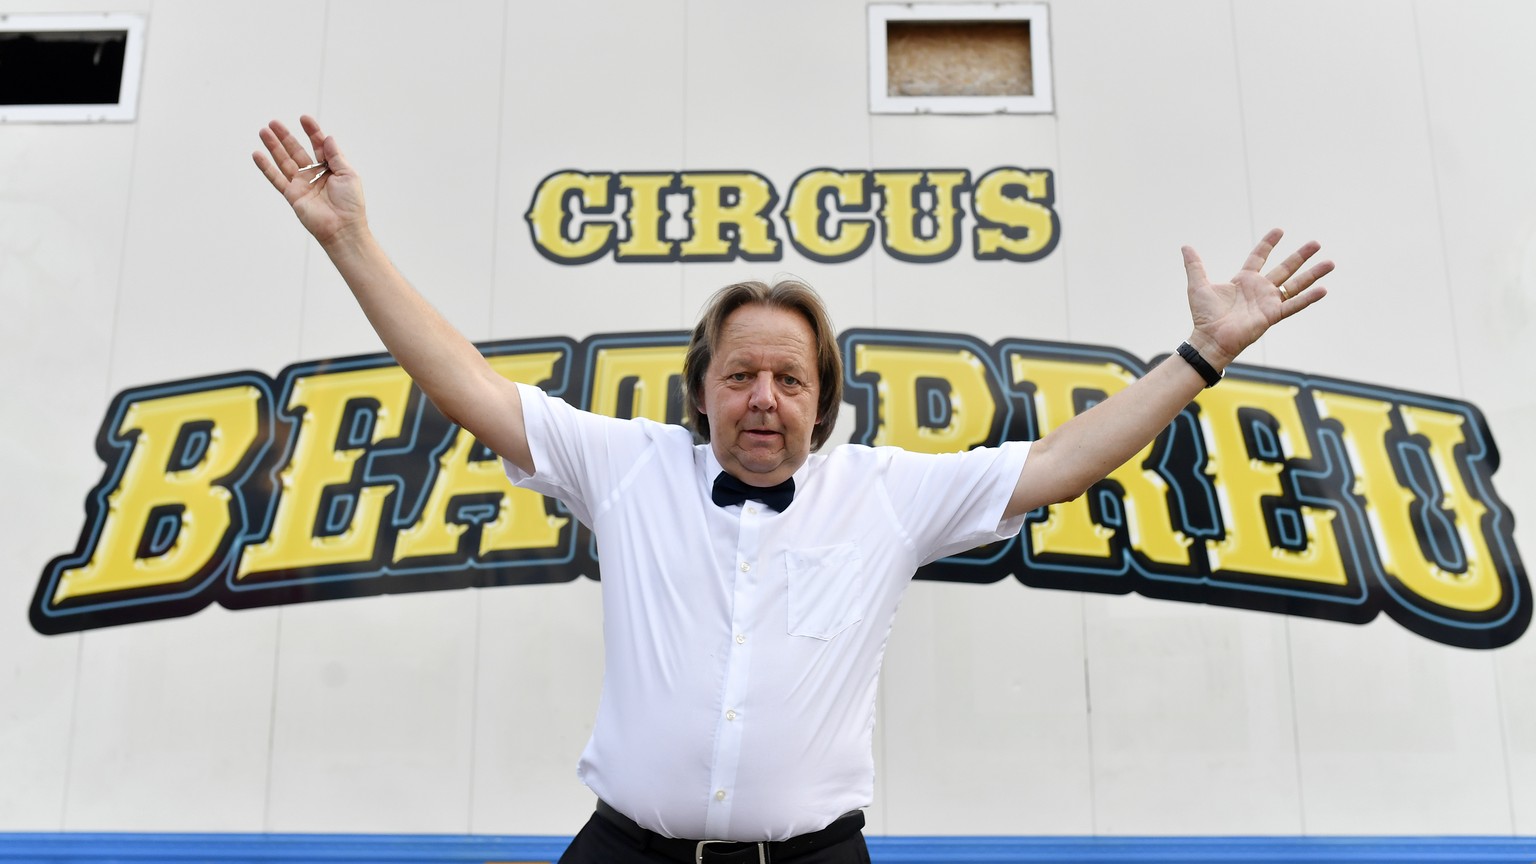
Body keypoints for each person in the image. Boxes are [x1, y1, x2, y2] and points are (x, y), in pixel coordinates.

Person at [254, 116, 1331, 864]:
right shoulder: (627, 468)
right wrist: (348, 237)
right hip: (622, 860)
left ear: (823, 402)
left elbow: (1062, 460)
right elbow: (470, 385)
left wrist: (1201, 357)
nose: (763, 398)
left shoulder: (889, 494)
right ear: (703, 391)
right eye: (740, 375)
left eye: (790, 378)